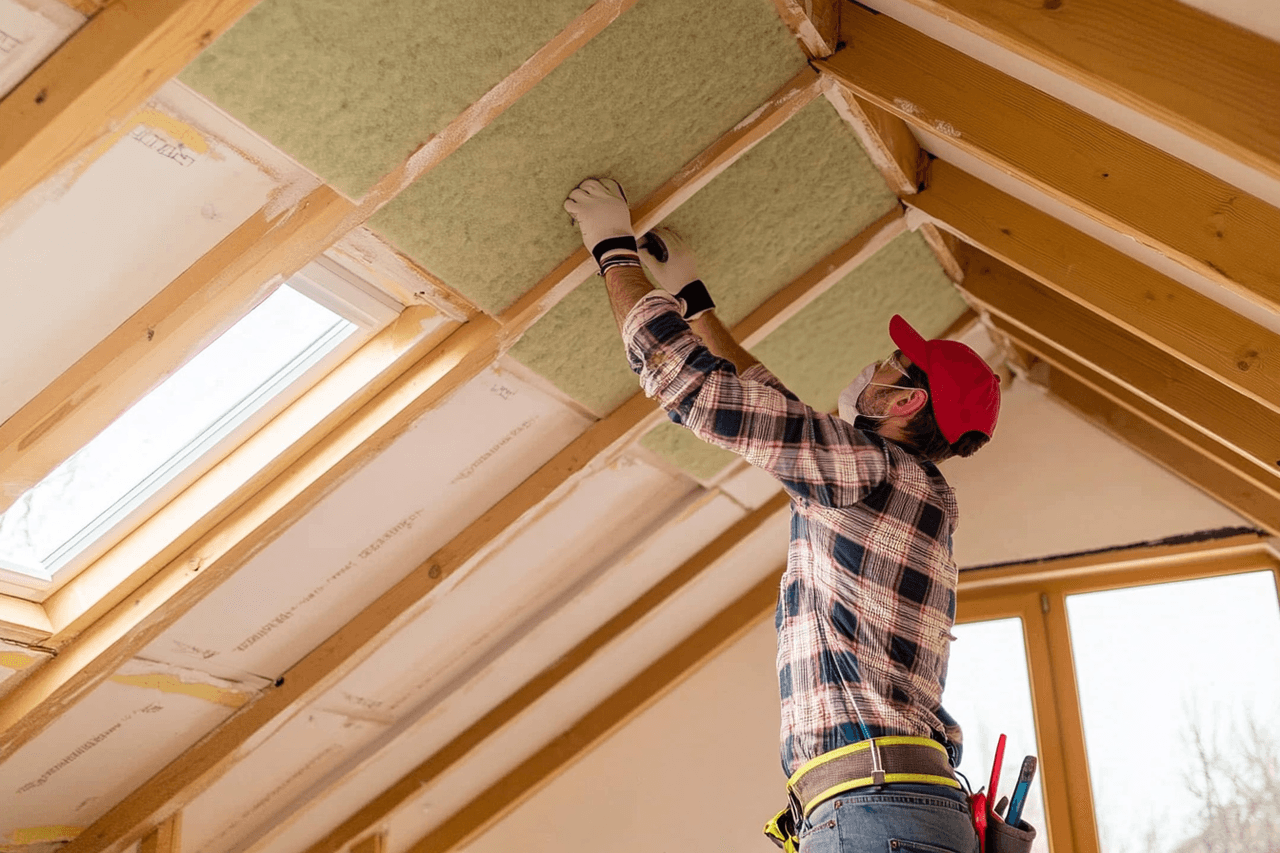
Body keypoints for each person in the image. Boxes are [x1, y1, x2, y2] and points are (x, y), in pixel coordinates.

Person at [565, 178, 1002, 853]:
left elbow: (699, 391)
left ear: (907, 401)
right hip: (896, 809)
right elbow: (778, 411)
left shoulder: (871, 472)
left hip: (877, 812)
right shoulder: (912, 488)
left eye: (890, 363)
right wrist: (696, 301)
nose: (872, 365)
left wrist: (612, 250)